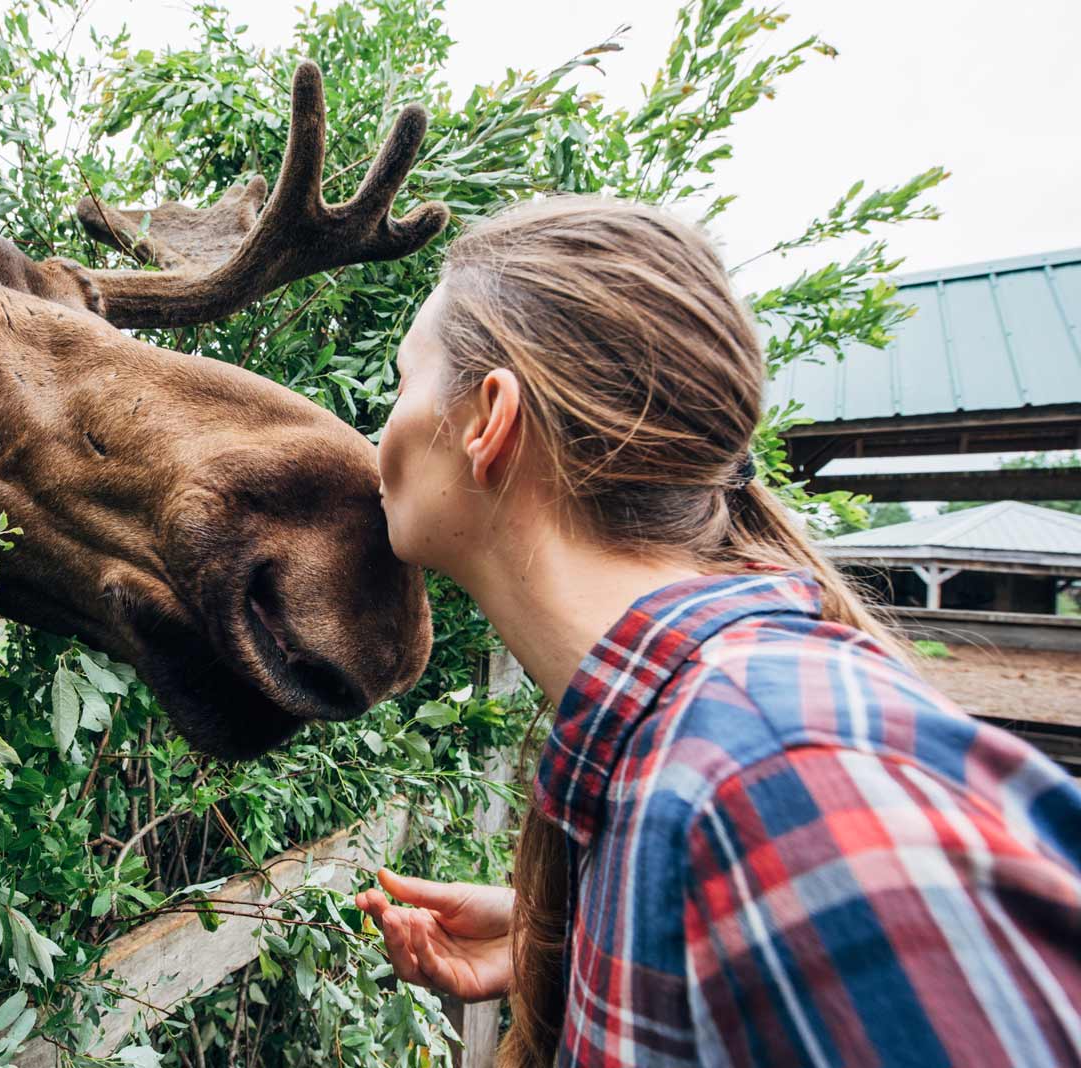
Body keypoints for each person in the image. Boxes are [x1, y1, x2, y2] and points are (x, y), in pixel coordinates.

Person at [355, 196, 1081, 1067]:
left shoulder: (781, 784)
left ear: (490, 419)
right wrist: (577, 939)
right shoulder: (718, 782)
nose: (378, 429)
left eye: (402, 381)